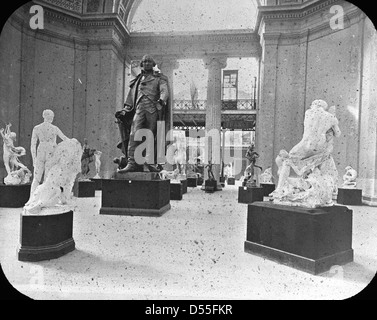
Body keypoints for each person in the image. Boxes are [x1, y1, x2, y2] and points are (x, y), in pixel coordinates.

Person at [272, 100, 341, 202]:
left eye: (312, 104)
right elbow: (338, 134)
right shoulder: (330, 117)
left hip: (305, 144)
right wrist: (333, 117)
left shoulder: (308, 112)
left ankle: (279, 189)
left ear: (315, 105)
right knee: (321, 163)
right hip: (320, 146)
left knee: (287, 161)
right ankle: (317, 191)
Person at [115, 54, 171, 173]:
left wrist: (161, 101)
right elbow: (130, 99)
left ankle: (149, 163)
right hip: (139, 110)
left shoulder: (159, 78)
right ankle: (131, 163)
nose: (146, 64)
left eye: (149, 62)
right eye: (144, 62)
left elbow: (164, 91)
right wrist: (125, 110)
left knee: (150, 136)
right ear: (142, 64)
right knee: (134, 134)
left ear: (153, 64)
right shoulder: (138, 80)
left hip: (153, 110)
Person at [29, 109, 68, 195]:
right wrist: (73, 142)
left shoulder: (37, 128)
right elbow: (65, 138)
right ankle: (43, 200)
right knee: (47, 178)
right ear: (51, 117)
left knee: (36, 178)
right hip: (51, 152)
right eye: (52, 117)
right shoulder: (54, 128)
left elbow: (32, 146)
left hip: (41, 151)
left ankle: (32, 200)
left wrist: (34, 159)